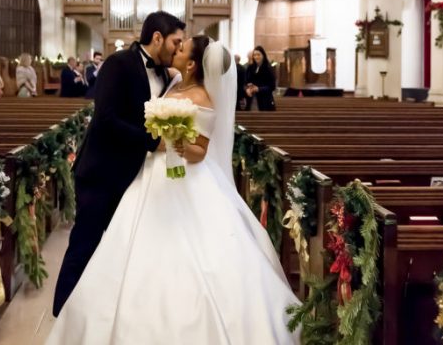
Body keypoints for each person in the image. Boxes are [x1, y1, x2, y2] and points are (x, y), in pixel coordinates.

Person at [47, 37, 300, 344]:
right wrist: (158, 136)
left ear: (193, 64)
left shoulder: (203, 98)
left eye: (182, 49)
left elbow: (200, 152)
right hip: (151, 176)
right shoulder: (173, 82)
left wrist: (176, 143)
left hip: (186, 179)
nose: (176, 49)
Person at [52, 11, 186, 316]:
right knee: (83, 247)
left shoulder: (166, 75)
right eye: (175, 43)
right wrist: (153, 142)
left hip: (135, 179)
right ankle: (61, 316)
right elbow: (106, 120)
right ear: (157, 38)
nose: (177, 50)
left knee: (121, 251)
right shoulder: (119, 63)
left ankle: (107, 317)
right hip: (101, 173)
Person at [245, 46, 276, 111]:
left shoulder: (268, 68)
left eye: (258, 55)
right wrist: (246, 89)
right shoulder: (250, 68)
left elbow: (272, 86)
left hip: (265, 101)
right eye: (254, 55)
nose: (256, 57)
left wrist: (259, 89)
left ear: (263, 55)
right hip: (251, 101)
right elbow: (245, 83)